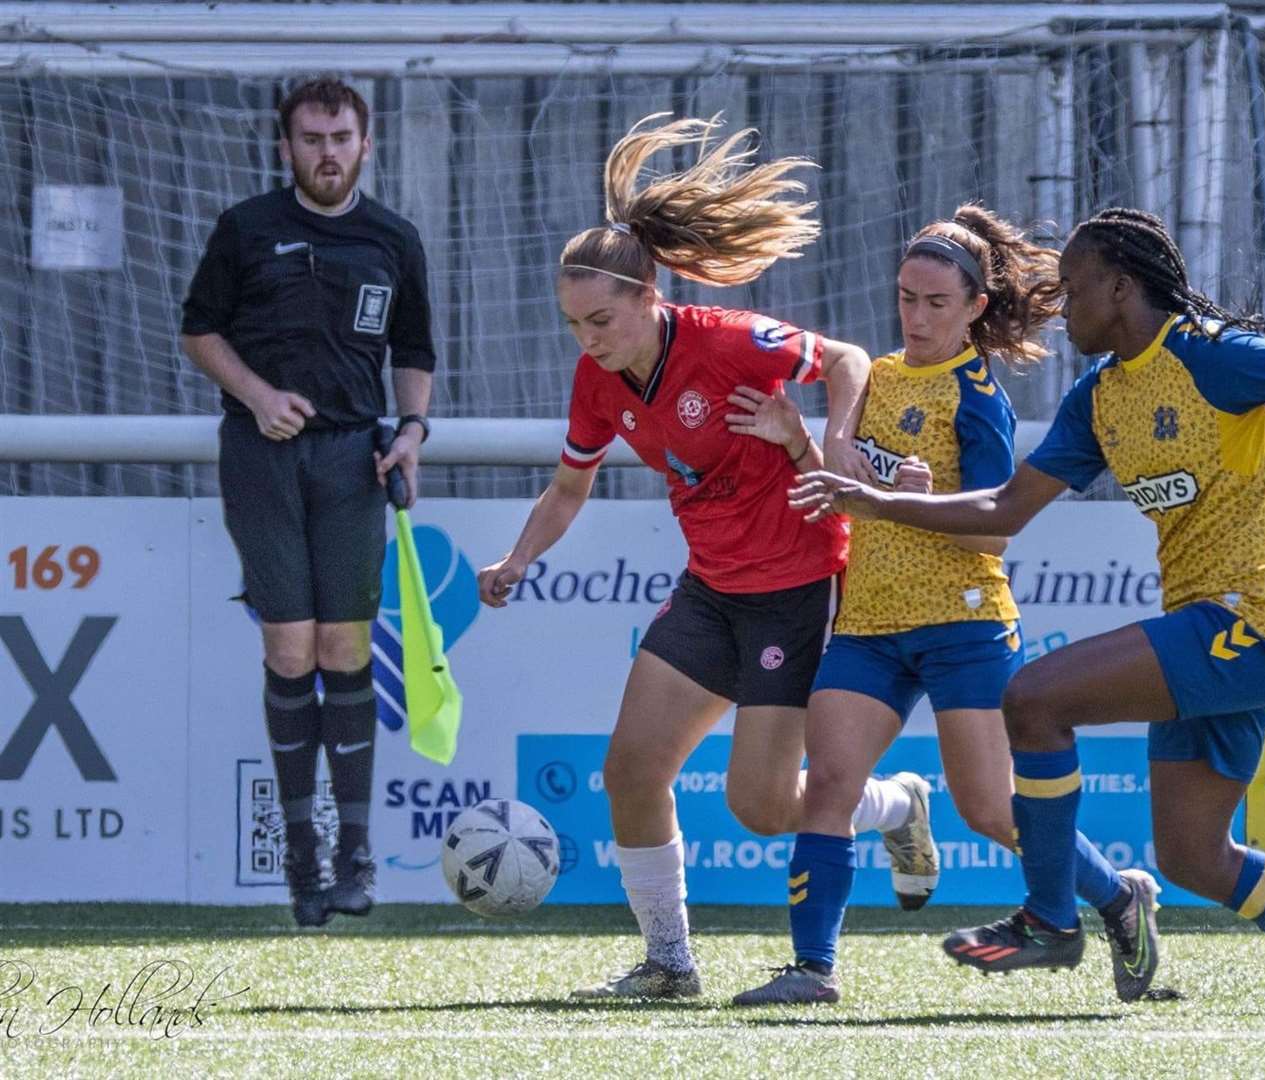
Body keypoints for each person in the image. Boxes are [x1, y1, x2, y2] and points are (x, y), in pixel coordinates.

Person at [790, 207, 1265, 1015]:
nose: (1061, 308)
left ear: (1119, 288)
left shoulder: (1211, 358)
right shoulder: (1099, 397)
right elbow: (1006, 510)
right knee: (1194, 858)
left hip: (1252, 619)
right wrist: (876, 502)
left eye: (1073, 290)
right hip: (1210, 632)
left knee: (1036, 699)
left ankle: (1051, 918)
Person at [475, 115, 937, 1000]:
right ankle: (669, 962)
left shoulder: (726, 341)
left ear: (652, 297)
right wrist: (517, 558)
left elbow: (843, 357)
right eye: (574, 325)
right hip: (711, 589)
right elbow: (568, 488)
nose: (590, 340)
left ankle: (898, 804)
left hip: (798, 591)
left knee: (761, 810)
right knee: (630, 770)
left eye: (602, 319)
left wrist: (834, 440)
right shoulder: (598, 381)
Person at [730, 206, 1161, 1006]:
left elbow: (993, 531)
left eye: (935, 303)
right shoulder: (874, 376)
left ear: (973, 308)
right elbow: (843, 487)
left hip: (963, 621)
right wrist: (796, 438)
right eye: (905, 298)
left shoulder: (977, 396)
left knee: (994, 810)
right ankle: (812, 969)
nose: (917, 316)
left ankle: (1117, 897)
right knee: (827, 780)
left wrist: (919, 500)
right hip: (869, 621)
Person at [180, 77, 436, 928]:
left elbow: (415, 348)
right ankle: (302, 854)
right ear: (285, 147)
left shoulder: (393, 240)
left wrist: (411, 433)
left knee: (345, 642)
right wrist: (255, 394)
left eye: (341, 137)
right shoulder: (246, 229)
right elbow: (198, 331)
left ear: (367, 144)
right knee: (291, 650)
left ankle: (357, 856)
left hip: (353, 461)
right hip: (262, 457)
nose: (327, 152)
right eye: (312, 138)